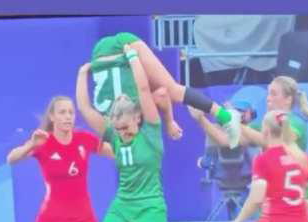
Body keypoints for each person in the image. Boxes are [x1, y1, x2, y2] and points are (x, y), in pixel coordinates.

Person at [76, 45, 168, 222]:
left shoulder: (151, 133)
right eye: (117, 129)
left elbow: (144, 89)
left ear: (138, 117)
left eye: (125, 127)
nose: (122, 133)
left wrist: (133, 57)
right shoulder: (115, 137)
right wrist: (82, 73)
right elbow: (85, 109)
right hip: (122, 206)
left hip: (150, 209)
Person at [6, 96, 113, 222]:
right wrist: (31, 145)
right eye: (62, 112)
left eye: (71, 112)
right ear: (52, 117)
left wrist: (133, 145)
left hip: (83, 217)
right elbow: (11, 159)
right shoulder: (42, 141)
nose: (68, 117)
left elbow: (115, 152)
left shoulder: (84, 139)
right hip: (52, 219)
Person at [91, 32, 241, 148]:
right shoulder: (107, 125)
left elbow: (162, 94)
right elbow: (84, 107)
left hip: (123, 48)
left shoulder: (136, 111)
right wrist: (82, 73)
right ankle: (225, 116)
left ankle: (226, 116)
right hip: (98, 53)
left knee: (173, 91)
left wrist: (169, 122)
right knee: (162, 90)